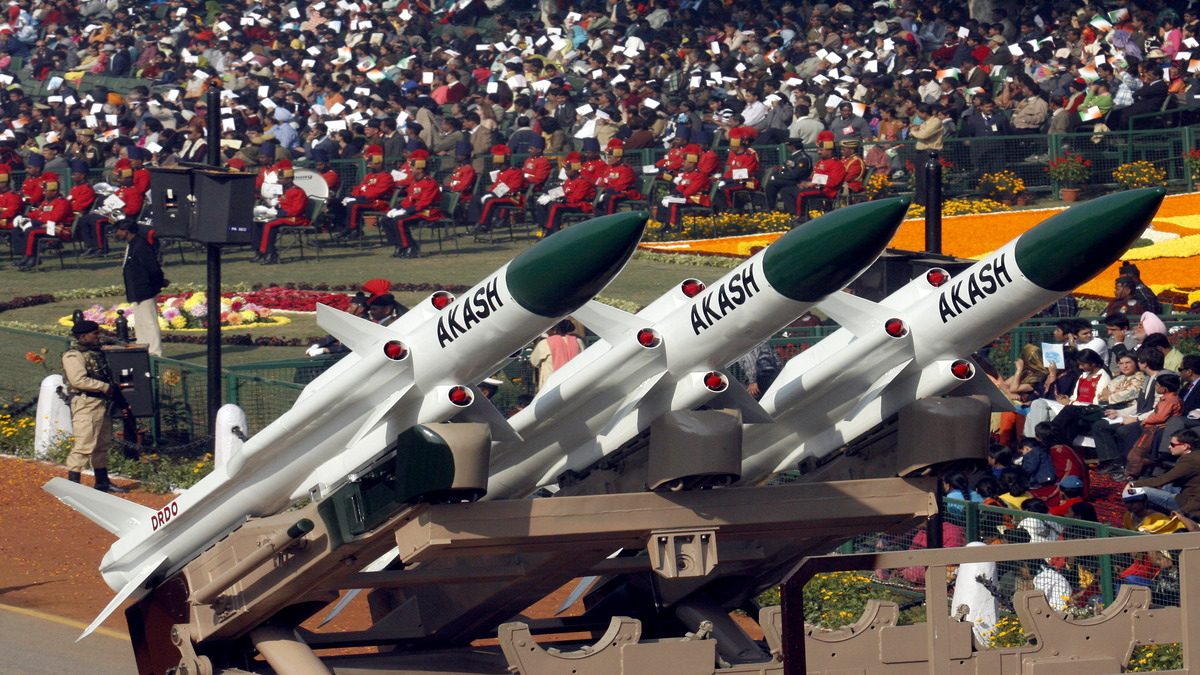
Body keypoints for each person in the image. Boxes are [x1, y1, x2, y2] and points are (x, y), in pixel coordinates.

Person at [61, 320, 129, 493]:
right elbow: (78, 380)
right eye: (95, 334)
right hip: (86, 404)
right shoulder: (73, 355)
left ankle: (102, 482)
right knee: (84, 444)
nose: (99, 336)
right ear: (83, 336)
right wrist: (105, 387)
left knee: (102, 444)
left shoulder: (94, 352)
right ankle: (73, 485)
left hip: (101, 403)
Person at [113, 220, 167, 357]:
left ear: (126, 231)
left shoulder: (141, 246)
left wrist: (158, 283)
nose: (117, 233)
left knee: (149, 321)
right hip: (136, 289)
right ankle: (143, 348)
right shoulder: (132, 245)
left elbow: (153, 268)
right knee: (141, 322)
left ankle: (155, 351)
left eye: (118, 230)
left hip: (145, 289)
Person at [1129, 429, 1200, 518]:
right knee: (1169, 486)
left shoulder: (1189, 460)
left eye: (1172, 444)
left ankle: (1146, 519)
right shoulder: (1195, 455)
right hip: (1193, 495)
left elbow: (1162, 480)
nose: (1169, 447)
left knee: (1141, 491)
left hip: (1193, 504)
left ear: (1185, 446)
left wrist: (1133, 484)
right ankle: (1159, 513)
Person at [382, 151, 441, 258]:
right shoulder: (414, 182)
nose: (410, 169)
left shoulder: (429, 182)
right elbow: (409, 200)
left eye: (412, 167)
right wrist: (396, 208)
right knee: (385, 219)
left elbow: (424, 202)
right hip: (416, 210)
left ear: (420, 169)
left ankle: (411, 247)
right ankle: (399, 245)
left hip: (428, 211)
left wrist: (406, 211)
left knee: (399, 220)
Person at [251, 160, 310, 265]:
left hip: (295, 218)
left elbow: (297, 210)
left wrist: (277, 213)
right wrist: (275, 205)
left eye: (281, 178)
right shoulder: (282, 189)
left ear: (290, 179)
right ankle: (259, 250)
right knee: (257, 221)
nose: (278, 180)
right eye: (279, 178)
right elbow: (282, 204)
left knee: (269, 225)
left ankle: (270, 253)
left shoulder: (297, 191)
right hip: (283, 215)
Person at [779, 130, 845, 222]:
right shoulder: (821, 161)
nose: (818, 152)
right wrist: (805, 183)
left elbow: (834, 181)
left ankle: (802, 216)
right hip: (815, 187)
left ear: (829, 151)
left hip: (826, 190)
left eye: (821, 150)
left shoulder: (836, 163)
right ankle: (794, 214)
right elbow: (813, 176)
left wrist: (813, 182)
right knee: (786, 191)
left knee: (801, 194)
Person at [10, 175, 69, 271]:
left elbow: (55, 218)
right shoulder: (46, 202)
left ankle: (32, 258)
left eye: (46, 191)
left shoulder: (62, 202)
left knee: (31, 231)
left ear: (54, 191)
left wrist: (36, 222)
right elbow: (38, 213)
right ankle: (25, 255)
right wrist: (26, 217)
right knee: (17, 230)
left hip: (57, 228)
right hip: (46, 226)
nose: (43, 192)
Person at [337, 144, 394, 241]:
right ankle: (344, 226)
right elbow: (359, 188)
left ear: (379, 164)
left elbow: (377, 192)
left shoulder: (386, 176)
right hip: (365, 200)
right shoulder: (369, 175)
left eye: (370, 163)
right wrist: (350, 196)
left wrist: (357, 198)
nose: (368, 165)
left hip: (378, 202)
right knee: (337, 202)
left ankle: (351, 229)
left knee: (353, 204)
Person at [535, 152, 595, 236]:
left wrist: (558, 199)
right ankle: (544, 228)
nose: (566, 172)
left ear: (574, 169)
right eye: (565, 169)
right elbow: (563, 191)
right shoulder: (569, 179)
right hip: (568, 202)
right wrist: (550, 195)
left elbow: (576, 198)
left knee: (555, 205)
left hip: (579, 205)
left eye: (568, 170)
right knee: (541, 204)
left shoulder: (583, 181)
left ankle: (553, 230)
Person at [529, 319, 586, 391]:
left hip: (551, 387)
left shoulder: (545, 343)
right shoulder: (578, 342)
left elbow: (534, 361)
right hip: (574, 385)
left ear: (554, 330)